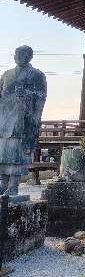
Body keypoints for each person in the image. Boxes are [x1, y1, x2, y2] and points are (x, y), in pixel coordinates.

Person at [0, 46, 47, 195]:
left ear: (30, 57)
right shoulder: (7, 74)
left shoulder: (37, 75)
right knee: (3, 152)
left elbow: (41, 96)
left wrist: (26, 94)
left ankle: (13, 185)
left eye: (25, 54)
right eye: (18, 54)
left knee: (17, 152)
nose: (21, 57)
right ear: (14, 56)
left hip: (23, 120)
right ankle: (3, 182)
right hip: (5, 118)